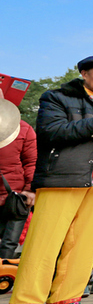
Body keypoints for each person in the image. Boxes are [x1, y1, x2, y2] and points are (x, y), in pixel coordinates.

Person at [6, 55, 93, 304]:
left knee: (84, 246)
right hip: (62, 178)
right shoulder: (57, 96)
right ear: (84, 73)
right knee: (44, 243)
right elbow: (52, 132)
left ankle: (64, 301)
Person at [0, 109, 36, 258]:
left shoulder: (23, 128)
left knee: (8, 245)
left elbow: (32, 162)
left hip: (14, 198)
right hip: (14, 196)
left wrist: (30, 189)